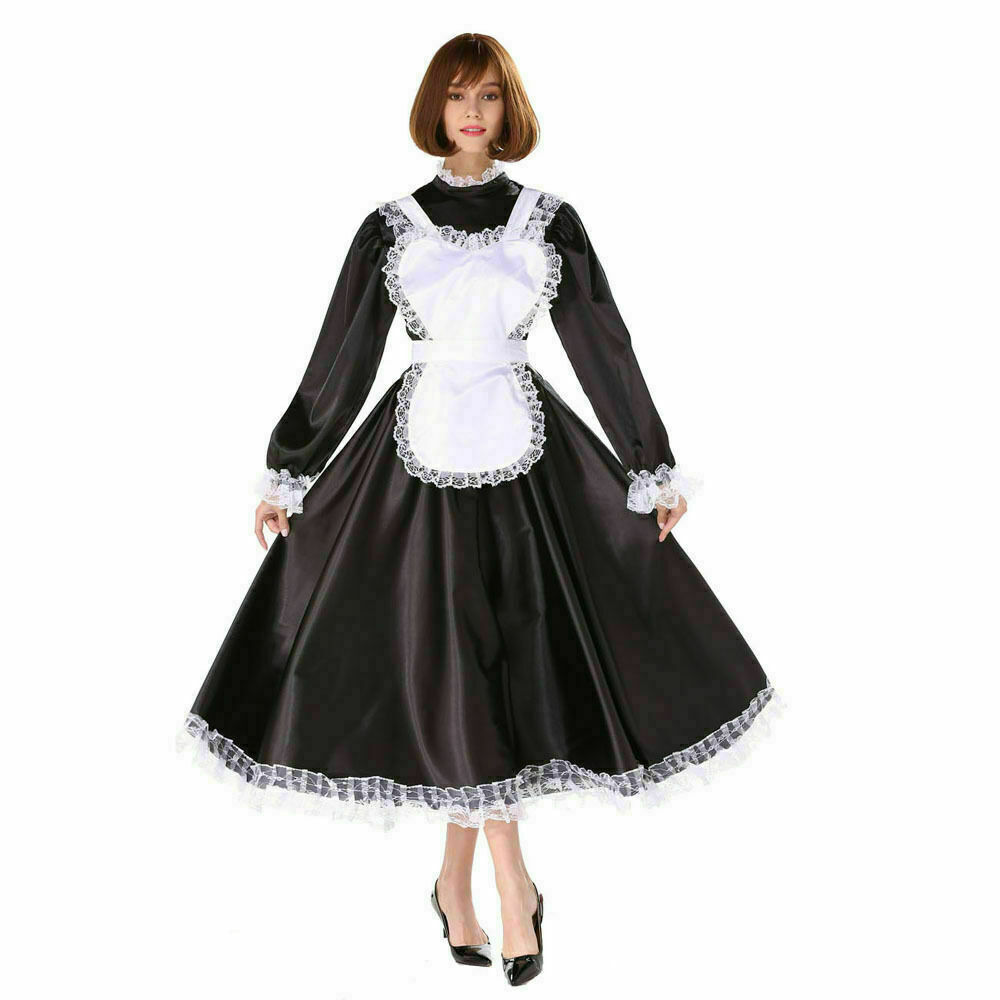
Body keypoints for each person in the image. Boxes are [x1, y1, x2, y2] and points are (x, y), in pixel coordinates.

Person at [178, 32, 777, 988]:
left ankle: (459, 883)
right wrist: (290, 471)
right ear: (435, 106)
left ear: (509, 109)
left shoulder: (550, 221)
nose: (471, 112)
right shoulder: (389, 227)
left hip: (530, 464)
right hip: (409, 468)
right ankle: (511, 881)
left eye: (488, 95)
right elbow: (341, 355)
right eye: (457, 95)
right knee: (459, 668)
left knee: (497, 671)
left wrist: (647, 464)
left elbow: (602, 344)